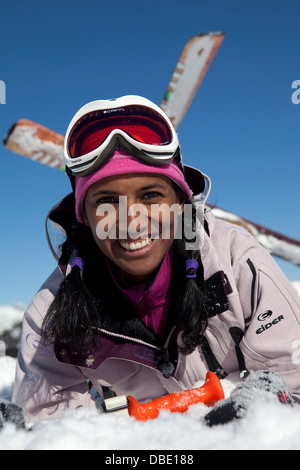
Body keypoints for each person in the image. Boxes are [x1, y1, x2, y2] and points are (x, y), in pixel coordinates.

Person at [11, 95, 300, 425]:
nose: (132, 221)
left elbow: (294, 380)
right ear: (86, 218)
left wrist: (258, 414)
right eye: (107, 201)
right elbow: (46, 427)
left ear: (179, 203)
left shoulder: (236, 260)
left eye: (151, 196)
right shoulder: (52, 310)